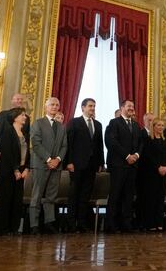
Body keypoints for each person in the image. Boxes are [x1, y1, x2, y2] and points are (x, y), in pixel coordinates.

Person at [29, 97, 67, 234]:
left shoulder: (62, 127)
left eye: (57, 104)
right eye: (52, 104)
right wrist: (48, 159)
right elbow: (36, 144)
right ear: (46, 107)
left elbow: (64, 146)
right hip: (41, 164)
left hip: (56, 165)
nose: (55, 106)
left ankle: (49, 222)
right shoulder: (38, 123)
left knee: (51, 196)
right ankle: (34, 225)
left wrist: (57, 159)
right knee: (37, 195)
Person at [104, 99, 144, 233]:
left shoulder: (136, 125)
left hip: (133, 166)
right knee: (116, 195)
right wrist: (127, 156)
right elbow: (111, 142)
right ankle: (111, 225)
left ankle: (126, 224)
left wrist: (137, 155)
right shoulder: (114, 123)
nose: (131, 108)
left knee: (128, 196)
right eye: (129, 106)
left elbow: (141, 143)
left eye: (133, 106)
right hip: (118, 165)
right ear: (122, 108)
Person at [65, 97, 104, 233]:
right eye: (90, 106)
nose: (92, 108)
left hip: (92, 166)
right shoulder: (74, 122)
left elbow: (99, 145)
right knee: (74, 195)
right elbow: (69, 144)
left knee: (85, 196)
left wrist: (101, 162)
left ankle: (81, 223)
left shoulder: (98, 125)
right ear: (83, 108)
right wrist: (68, 162)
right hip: (76, 164)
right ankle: (71, 224)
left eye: (94, 106)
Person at [0, 107, 29, 235]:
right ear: (15, 117)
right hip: (8, 171)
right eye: (22, 115)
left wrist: (26, 168)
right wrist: (15, 169)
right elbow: (7, 153)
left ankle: (13, 228)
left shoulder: (25, 134)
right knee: (6, 199)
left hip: (21, 171)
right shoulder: (7, 132)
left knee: (17, 201)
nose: (25, 117)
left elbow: (28, 153)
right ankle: (3, 228)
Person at [139, 118, 166, 231]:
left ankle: (159, 222)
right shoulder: (148, 140)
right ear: (153, 127)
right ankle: (150, 223)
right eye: (158, 125)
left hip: (164, 173)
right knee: (151, 198)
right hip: (152, 173)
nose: (161, 127)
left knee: (160, 198)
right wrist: (158, 167)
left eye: (162, 125)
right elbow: (147, 157)